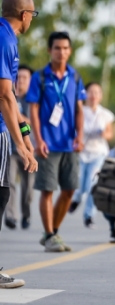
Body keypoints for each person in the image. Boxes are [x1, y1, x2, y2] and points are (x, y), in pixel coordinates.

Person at [28, 31, 84, 253]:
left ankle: (53, 231)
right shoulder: (40, 78)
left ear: (70, 51)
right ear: (49, 50)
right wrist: (38, 139)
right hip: (47, 144)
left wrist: (80, 134)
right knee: (48, 190)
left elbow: (80, 109)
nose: (61, 52)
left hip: (69, 143)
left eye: (65, 48)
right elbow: (32, 109)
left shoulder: (75, 77)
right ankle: (50, 234)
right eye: (57, 48)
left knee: (70, 189)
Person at [0, 0, 38, 289]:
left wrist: (25, 137)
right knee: (1, 196)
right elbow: (4, 96)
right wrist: (19, 143)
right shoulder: (4, 38)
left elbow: (12, 100)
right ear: (24, 15)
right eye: (33, 14)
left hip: (7, 128)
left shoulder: (6, 36)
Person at [69, 82, 114, 228]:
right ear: (85, 94)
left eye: (97, 92)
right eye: (91, 92)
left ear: (100, 95)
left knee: (91, 185)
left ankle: (89, 215)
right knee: (80, 182)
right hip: (81, 153)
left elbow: (109, 133)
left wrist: (103, 134)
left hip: (98, 154)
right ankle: (76, 199)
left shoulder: (105, 114)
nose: (93, 95)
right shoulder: (79, 111)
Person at [5, 65, 34, 230]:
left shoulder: (34, 100)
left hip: (29, 150)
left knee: (28, 187)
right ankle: (11, 216)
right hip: (11, 148)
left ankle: (26, 215)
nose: (20, 80)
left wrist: (16, 115)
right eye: (18, 77)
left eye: (24, 77)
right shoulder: (7, 95)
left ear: (30, 80)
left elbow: (34, 123)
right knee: (9, 182)